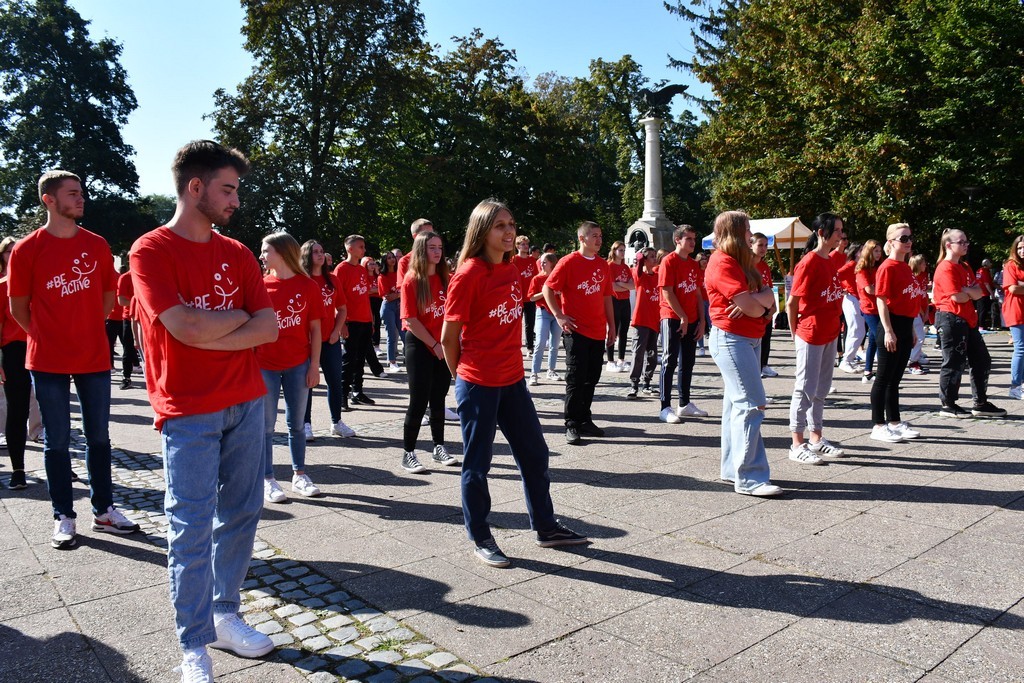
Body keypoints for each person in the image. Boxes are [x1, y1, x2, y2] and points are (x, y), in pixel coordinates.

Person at [129, 141, 279, 681]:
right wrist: (230, 323)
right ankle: (193, 642)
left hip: (245, 402)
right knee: (189, 524)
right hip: (186, 409)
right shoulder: (150, 251)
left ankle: (224, 613)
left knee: (241, 513)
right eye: (228, 188)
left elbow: (269, 326)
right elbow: (182, 327)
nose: (236, 200)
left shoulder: (238, 254)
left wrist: (207, 329)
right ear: (196, 188)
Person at [441, 199, 587, 568]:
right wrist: (463, 378)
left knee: (535, 455)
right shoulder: (468, 274)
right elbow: (448, 337)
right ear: (481, 231)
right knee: (478, 463)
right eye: (499, 226)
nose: (509, 232)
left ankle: (545, 527)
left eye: (511, 224)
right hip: (478, 383)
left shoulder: (510, 271)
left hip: (513, 380)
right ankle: (481, 535)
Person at [8, 170, 139, 549]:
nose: (81, 199)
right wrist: (48, 335)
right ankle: (63, 516)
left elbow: (106, 297)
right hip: (46, 359)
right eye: (72, 194)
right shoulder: (27, 249)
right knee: (58, 442)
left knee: (99, 438)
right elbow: (18, 308)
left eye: (81, 192)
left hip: (94, 356)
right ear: (49, 200)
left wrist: (83, 329)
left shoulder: (96, 245)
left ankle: (105, 511)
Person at [705, 211, 781, 497]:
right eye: (747, 229)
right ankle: (750, 478)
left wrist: (757, 302)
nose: (751, 235)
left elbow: (769, 298)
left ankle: (732, 469)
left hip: (749, 337)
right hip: (732, 338)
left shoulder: (744, 261)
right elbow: (755, 304)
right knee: (752, 405)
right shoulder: (722, 261)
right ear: (735, 232)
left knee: (736, 407)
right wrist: (759, 303)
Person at [257, 232, 324, 503]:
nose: (261, 256)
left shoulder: (307, 286)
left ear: (282, 253)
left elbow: (315, 329)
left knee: (297, 425)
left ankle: (299, 475)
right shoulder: (260, 286)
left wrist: (314, 365)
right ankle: (268, 479)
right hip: (264, 365)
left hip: (299, 364)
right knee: (265, 427)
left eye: (265, 251)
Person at [544, 221, 615, 445]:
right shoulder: (568, 262)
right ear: (582, 239)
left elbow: (606, 297)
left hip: (597, 330)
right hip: (575, 330)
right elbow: (548, 288)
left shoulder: (603, 265)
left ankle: (585, 418)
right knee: (576, 377)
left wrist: (612, 326)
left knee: (592, 377)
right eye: (594, 235)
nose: (599, 239)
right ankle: (572, 423)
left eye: (600, 235)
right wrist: (559, 315)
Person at [785, 213, 847, 464]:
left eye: (842, 230)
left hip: (830, 332)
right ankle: (796, 443)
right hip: (811, 333)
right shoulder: (808, 263)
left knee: (821, 389)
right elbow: (792, 303)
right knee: (805, 388)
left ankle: (816, 438)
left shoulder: (830, 260)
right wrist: (794, 333)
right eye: (837, 231)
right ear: (822, 233)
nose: (841, 235)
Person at [399, 231, 459, 473]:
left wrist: (445, 344)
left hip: (441, 346)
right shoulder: (412, 279)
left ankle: (439, 446)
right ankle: (409, 452)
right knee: (419, 399)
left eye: (440, 247)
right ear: (421, 250)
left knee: (439, 398)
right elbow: (410, 319)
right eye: (432, 247)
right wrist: (434, 345)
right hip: (420, 345)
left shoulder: (447, 278)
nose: (437, 252)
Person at [932, 229, 1006, 418]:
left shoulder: (964, 266)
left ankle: (980, 403)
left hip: (967, 319)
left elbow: (978, 292)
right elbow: (957, 297)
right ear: (949, 245)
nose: (966, 245)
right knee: (954, 362)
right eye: (961, 242)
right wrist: (967, 291)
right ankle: (948, 404)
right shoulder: (945, 267)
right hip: (951, 318)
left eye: (966, 241)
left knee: (982, 360)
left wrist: (967, 290)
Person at [869, 223, 925, 443]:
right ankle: (878, 425)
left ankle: (894, 422)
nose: (908, 241)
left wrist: (910, 329)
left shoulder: (904, 267)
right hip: (891, 325)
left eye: (909, 237)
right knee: (883, 378)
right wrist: (889, 331)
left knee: (895, 379)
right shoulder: (887, 267)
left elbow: (908, 301)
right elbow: (881, 300)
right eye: (903, 238)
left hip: (905, 325)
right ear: (891, 242)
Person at [300, 239, 354, 439]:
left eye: (322, 251)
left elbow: (342, 309)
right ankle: (305, 424)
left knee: (335, 382)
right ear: (306, 255)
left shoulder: (332, 280)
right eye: (315, 252)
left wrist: (336, 331)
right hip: (306, 342)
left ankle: (336, 422)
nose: (320, 255)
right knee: (308, 383)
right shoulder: (301, 280)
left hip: (329, 341)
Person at [657, 225, 708, 424]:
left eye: (694, 239)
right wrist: (682, 317)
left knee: (688, 361)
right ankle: (664, 407)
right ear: (677, 240)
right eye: (689, 239)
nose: (692, 243)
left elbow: (696, 293)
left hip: (692, 318)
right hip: (672, 317)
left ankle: (684, 403)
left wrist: (701, 320)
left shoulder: (693, 265)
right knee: (669, 360)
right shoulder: (669, 261)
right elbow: (667, 292)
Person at [0, 237, 32, 489]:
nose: (13, 255)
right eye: (9, 251)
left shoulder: (38, 281)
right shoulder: (2, 286)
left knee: (54, 412)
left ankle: (60, 465)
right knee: (17, 410)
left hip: (46, 349)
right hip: (14, 351)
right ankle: (18, 469)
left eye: (16, 251)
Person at [334, 236, 374, 409]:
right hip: (351, 321)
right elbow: (336, 297)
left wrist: (371, 320)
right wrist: (341, 323)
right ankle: (342, 395)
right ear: (350, 249)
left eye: (364, 247)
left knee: (361, 359)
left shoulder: (361, 269)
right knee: (348, 360)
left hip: (365, 320)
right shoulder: (341, 269)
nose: (363, 250)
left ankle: (357, 391)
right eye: (360, 247)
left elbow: (364, 297)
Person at [627, 248, 659, 398]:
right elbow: (638, 261)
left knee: (652, 355)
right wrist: (641, 254)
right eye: (651, 257)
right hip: (641, 320)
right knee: (638, 353)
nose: (655, 259)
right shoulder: (640, 275)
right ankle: (634, 384)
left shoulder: (658, 276)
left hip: (655, 320)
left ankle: (647, 383)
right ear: (645, 260)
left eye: (655, 256)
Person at [528, 253, 562, 385]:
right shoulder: (537, 279)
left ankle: (551, 370)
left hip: (557, 313)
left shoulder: (558, 277)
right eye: (541, 262)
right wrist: (545, 292)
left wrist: (559, 293)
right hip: (542, 312)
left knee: (555, 344)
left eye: (545, 262)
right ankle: (534, 373)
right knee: (540, 342)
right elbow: (531, 297)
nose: (542, 264)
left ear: (552, 263)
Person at [855, 240, 883, 383]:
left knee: (873, 340)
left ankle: (868, 372)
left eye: (879, 251)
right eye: (876, 251)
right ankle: (880, 372)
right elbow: (869, 289)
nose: (879, 254)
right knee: (881, 338)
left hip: (880, 308)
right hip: (869, 309)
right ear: (868, 251)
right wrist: (885, 290)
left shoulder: (878, 267)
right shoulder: (862, 269)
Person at [752, 233, 778, 378]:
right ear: (752, 245)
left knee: (766, 340)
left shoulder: (764, 265)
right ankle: (757, 369)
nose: (763, 248)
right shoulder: (748, 265)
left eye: (765, 245)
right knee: (756, 343)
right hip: (755, 310)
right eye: (760, 245)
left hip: (767, 310)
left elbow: (769, 286)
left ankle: (763, 365)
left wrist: (773, 307)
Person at [606, 240, 635, 371]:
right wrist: (624, 285)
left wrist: (621, 284)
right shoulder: (610, 266)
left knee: (624, 331)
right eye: (620, 250)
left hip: (625, 301)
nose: (623, 253)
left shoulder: (625, 268)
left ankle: (621, 359)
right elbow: (612, 287)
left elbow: (633, 285)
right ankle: (610, 360)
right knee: (612, 329)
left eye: (624, 250)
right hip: (614, 300)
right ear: (614, 251)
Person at [837, 242, 865, 373]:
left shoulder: (860, 265)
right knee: (856, 331)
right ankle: (846, 361)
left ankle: (849, 359)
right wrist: (843, 289)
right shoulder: (851, 265)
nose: (865, 252)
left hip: (857, 300)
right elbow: (836, 275)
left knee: (859, 331)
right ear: (856, 253)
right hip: (851, 300)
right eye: (862, 250)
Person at [1002, 236, 1024, 400]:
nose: (1022, 251)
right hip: (1016, 311)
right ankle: (1015, 385)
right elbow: (1013, 288)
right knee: (1020, 348)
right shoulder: (1011, 265)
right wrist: (1018, 285)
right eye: (1019, 248)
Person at [512, 236, 538, 355]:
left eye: (527, 244)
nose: (525, 246)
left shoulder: (532, 260)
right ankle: (515, 346)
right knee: (516, 323)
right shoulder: (513, 260)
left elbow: (536, 277)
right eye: (523, 244)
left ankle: (530, 347)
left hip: (530, 297)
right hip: (516, 298)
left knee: (530, 323)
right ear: (517, 246)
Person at [378, 251, 403, 372]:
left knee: (404, 334)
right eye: (389, 258)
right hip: (388, 308)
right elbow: (387, 297)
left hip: (400, 306)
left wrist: (398, 295)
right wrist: (400, 294)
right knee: (391, 336)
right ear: (384, 261)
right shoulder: (382, 276)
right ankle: (392, 361)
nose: (392, 259)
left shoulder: (400, 273)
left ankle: (408, 359)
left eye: (393, 257)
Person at [906, 254, 931, 375]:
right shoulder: (913, 278)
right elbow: (915, 298)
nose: (925, 265)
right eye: (922, 263)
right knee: (919, 336)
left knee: (919, 336)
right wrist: (922, 312)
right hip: (914, 311)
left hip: (921, 310)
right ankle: (912, 361)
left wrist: (926, 311)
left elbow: (924, 295)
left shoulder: (923, 276)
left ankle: (916, 356)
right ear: (917, 265)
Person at [116, 264, 139, 389]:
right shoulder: (125, 278)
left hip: (146, 318)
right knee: (128, 349)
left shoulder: (146, 275)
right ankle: (126, 377)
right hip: (129, 319)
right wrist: (139, 302)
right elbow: (121, 301)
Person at [975, 258, 995, 331]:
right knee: (983, 310)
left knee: (979, 310)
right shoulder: (985, 271)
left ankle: (979, 325)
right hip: (984, 293)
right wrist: (992, 293)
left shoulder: (979, 271)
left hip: (978, 293)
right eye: (990, 263)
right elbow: (986, 283)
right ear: (987, 264)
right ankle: (981, 326)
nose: (991, 264)